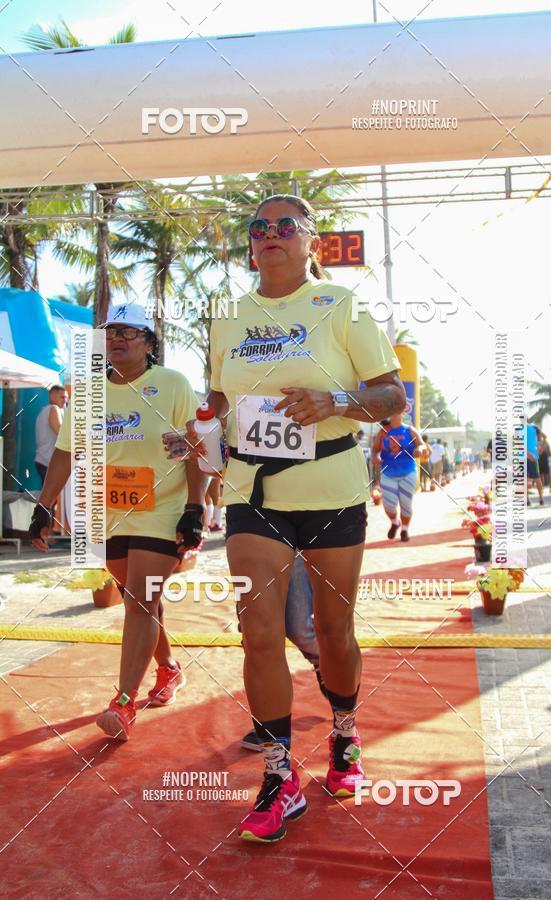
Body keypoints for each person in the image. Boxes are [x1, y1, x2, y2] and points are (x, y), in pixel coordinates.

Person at [182, 194, 404, 843]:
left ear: (312, 242)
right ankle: (279, 778)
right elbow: (219, 397)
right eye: (259, 227)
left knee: (333, 631)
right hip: (254, 490)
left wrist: (335, 398)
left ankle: (343, 734)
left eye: (286, 226)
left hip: (332, 489)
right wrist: (203, 429)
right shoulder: (226, 316)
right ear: (249, 245)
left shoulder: (341, 304)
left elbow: (391, 395)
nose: (270, 234)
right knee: (257, 631)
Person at [29, 303, 206, 741]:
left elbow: (195, 446)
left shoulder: (172, 384)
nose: (117, 340)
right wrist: (43, 505)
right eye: (110, 333)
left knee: (142, 602)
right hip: (109, 512)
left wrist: (195, 507)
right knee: (137, 599)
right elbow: (66, 452)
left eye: (130, 332)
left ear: (149, 342)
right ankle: (168, 669)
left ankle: (123, 703)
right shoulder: (88, 391)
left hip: (163, 508)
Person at [241, 554, 326, 749]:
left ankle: (321, 659)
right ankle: (268, 728)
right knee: (258, 636)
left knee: (299, 629)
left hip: (297, 540)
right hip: (253, 534)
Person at [371, 412, 424, 541]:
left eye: (396, 411)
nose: (393, 414)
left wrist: (420, 449)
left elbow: (421, 444)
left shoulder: (409, 430)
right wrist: (375, 457)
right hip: (388, 473)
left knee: (406, 503)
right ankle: (395, 522)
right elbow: (375, 448)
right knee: (389, 505)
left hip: (408, 471)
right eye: (391, 411)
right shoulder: (383, 432)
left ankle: (405, 529)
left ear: (401, 413)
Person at [34, 384, 68, 486]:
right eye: (62, 397)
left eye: (66, 397)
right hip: (48, 462)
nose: (65, 400)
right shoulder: (53, 408)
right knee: (50, 500)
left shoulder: (45, 411)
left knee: (49, 499)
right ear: (52, 396)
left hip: (44, 461)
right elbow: (62, 433)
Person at [526, 422, 544, 506]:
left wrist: (527, 453)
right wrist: (541, 449)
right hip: (532, 456)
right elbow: (544, 438)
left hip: (525, 456)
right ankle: (540, 498)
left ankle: (528, 499)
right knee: (536, 478)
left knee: (526, 479)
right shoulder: (535, 427)